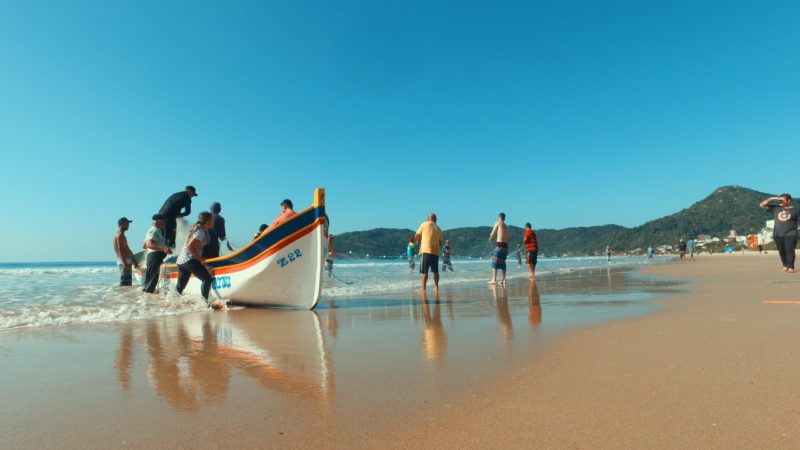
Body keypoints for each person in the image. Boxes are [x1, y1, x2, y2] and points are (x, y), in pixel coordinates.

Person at [176, 212, 215, 303]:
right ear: (208, 222)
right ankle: (204, 303)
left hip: (181, 261)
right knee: (207, 279)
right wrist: (201, 259)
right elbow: (190, 247)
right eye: (212, 220)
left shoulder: (196, 229)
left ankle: (174, 305)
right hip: (189, 260)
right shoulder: (200, 232)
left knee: (180, 288)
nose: (213, 222)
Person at [760, 194, 799, 272]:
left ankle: (791, 267)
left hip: (791, 233)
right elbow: (762, 205)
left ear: (788, 201)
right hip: (777, 234)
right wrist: (772, 198)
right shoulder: (776, 208)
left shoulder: (796, 210)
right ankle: (785, 266)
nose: (780, 201)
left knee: (789, 250)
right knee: (781, 250)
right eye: (779, 200)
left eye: (782, 200)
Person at [142, 214, 171, 293]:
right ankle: (148, 300)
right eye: (164, 222)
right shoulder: (155, 230)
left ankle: (146, 299)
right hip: (155, 257)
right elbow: (149, 245)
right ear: (159, 221)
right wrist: (163, 248)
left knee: (150, 280)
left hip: (153, 257)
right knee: (152, 281)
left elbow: (144, 245)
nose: (165, 224)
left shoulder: (151, 230)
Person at [415, 213, 443, 291]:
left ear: (428, 218)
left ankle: (423, 287)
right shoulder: (439, 228)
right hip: (435, 252)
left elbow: (416, 236)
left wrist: (419, 241)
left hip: (426, 251)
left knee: (425, 271)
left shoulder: (424, 224)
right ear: (436, 220)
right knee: (435, 271)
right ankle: (436, 286)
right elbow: (440, 243)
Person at [113, 217, 135, 286]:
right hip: (124, 261)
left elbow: (126, 248)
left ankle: (125, 297)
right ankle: (122, 296)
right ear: (121, 224)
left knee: (127, 283)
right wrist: (124, 263)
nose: (128, 225)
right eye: (127, 223)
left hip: (126, 260)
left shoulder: (120, 234)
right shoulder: (120, 235)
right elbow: (120, 249)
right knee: (125, 284)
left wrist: (133, 258)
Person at [488, 213, 509, 285]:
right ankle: (504, 280)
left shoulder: (497, 223)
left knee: (494, 261)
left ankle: (494, 279)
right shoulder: (506, 226)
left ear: (499, 217)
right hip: (505, 246)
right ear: (504, 218)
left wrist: (490, 238)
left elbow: (493, 232)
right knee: (503, 262)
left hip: (500, 245)